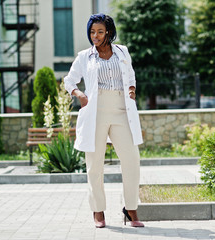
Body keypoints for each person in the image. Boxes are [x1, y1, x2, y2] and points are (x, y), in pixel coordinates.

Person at [64, 13, 144, 228]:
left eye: (100, 31)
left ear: (108, 32)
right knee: (94, 165)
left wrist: (131, 90)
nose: (95, 36)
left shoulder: (122, 52)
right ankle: (98, 211)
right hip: (95, 112)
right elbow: (69, 80)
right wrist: (79, 95)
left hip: (121, 110)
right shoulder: (84, 56)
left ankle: (131, 208)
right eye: (92, 32)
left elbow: (131, 75)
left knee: (131, 161)